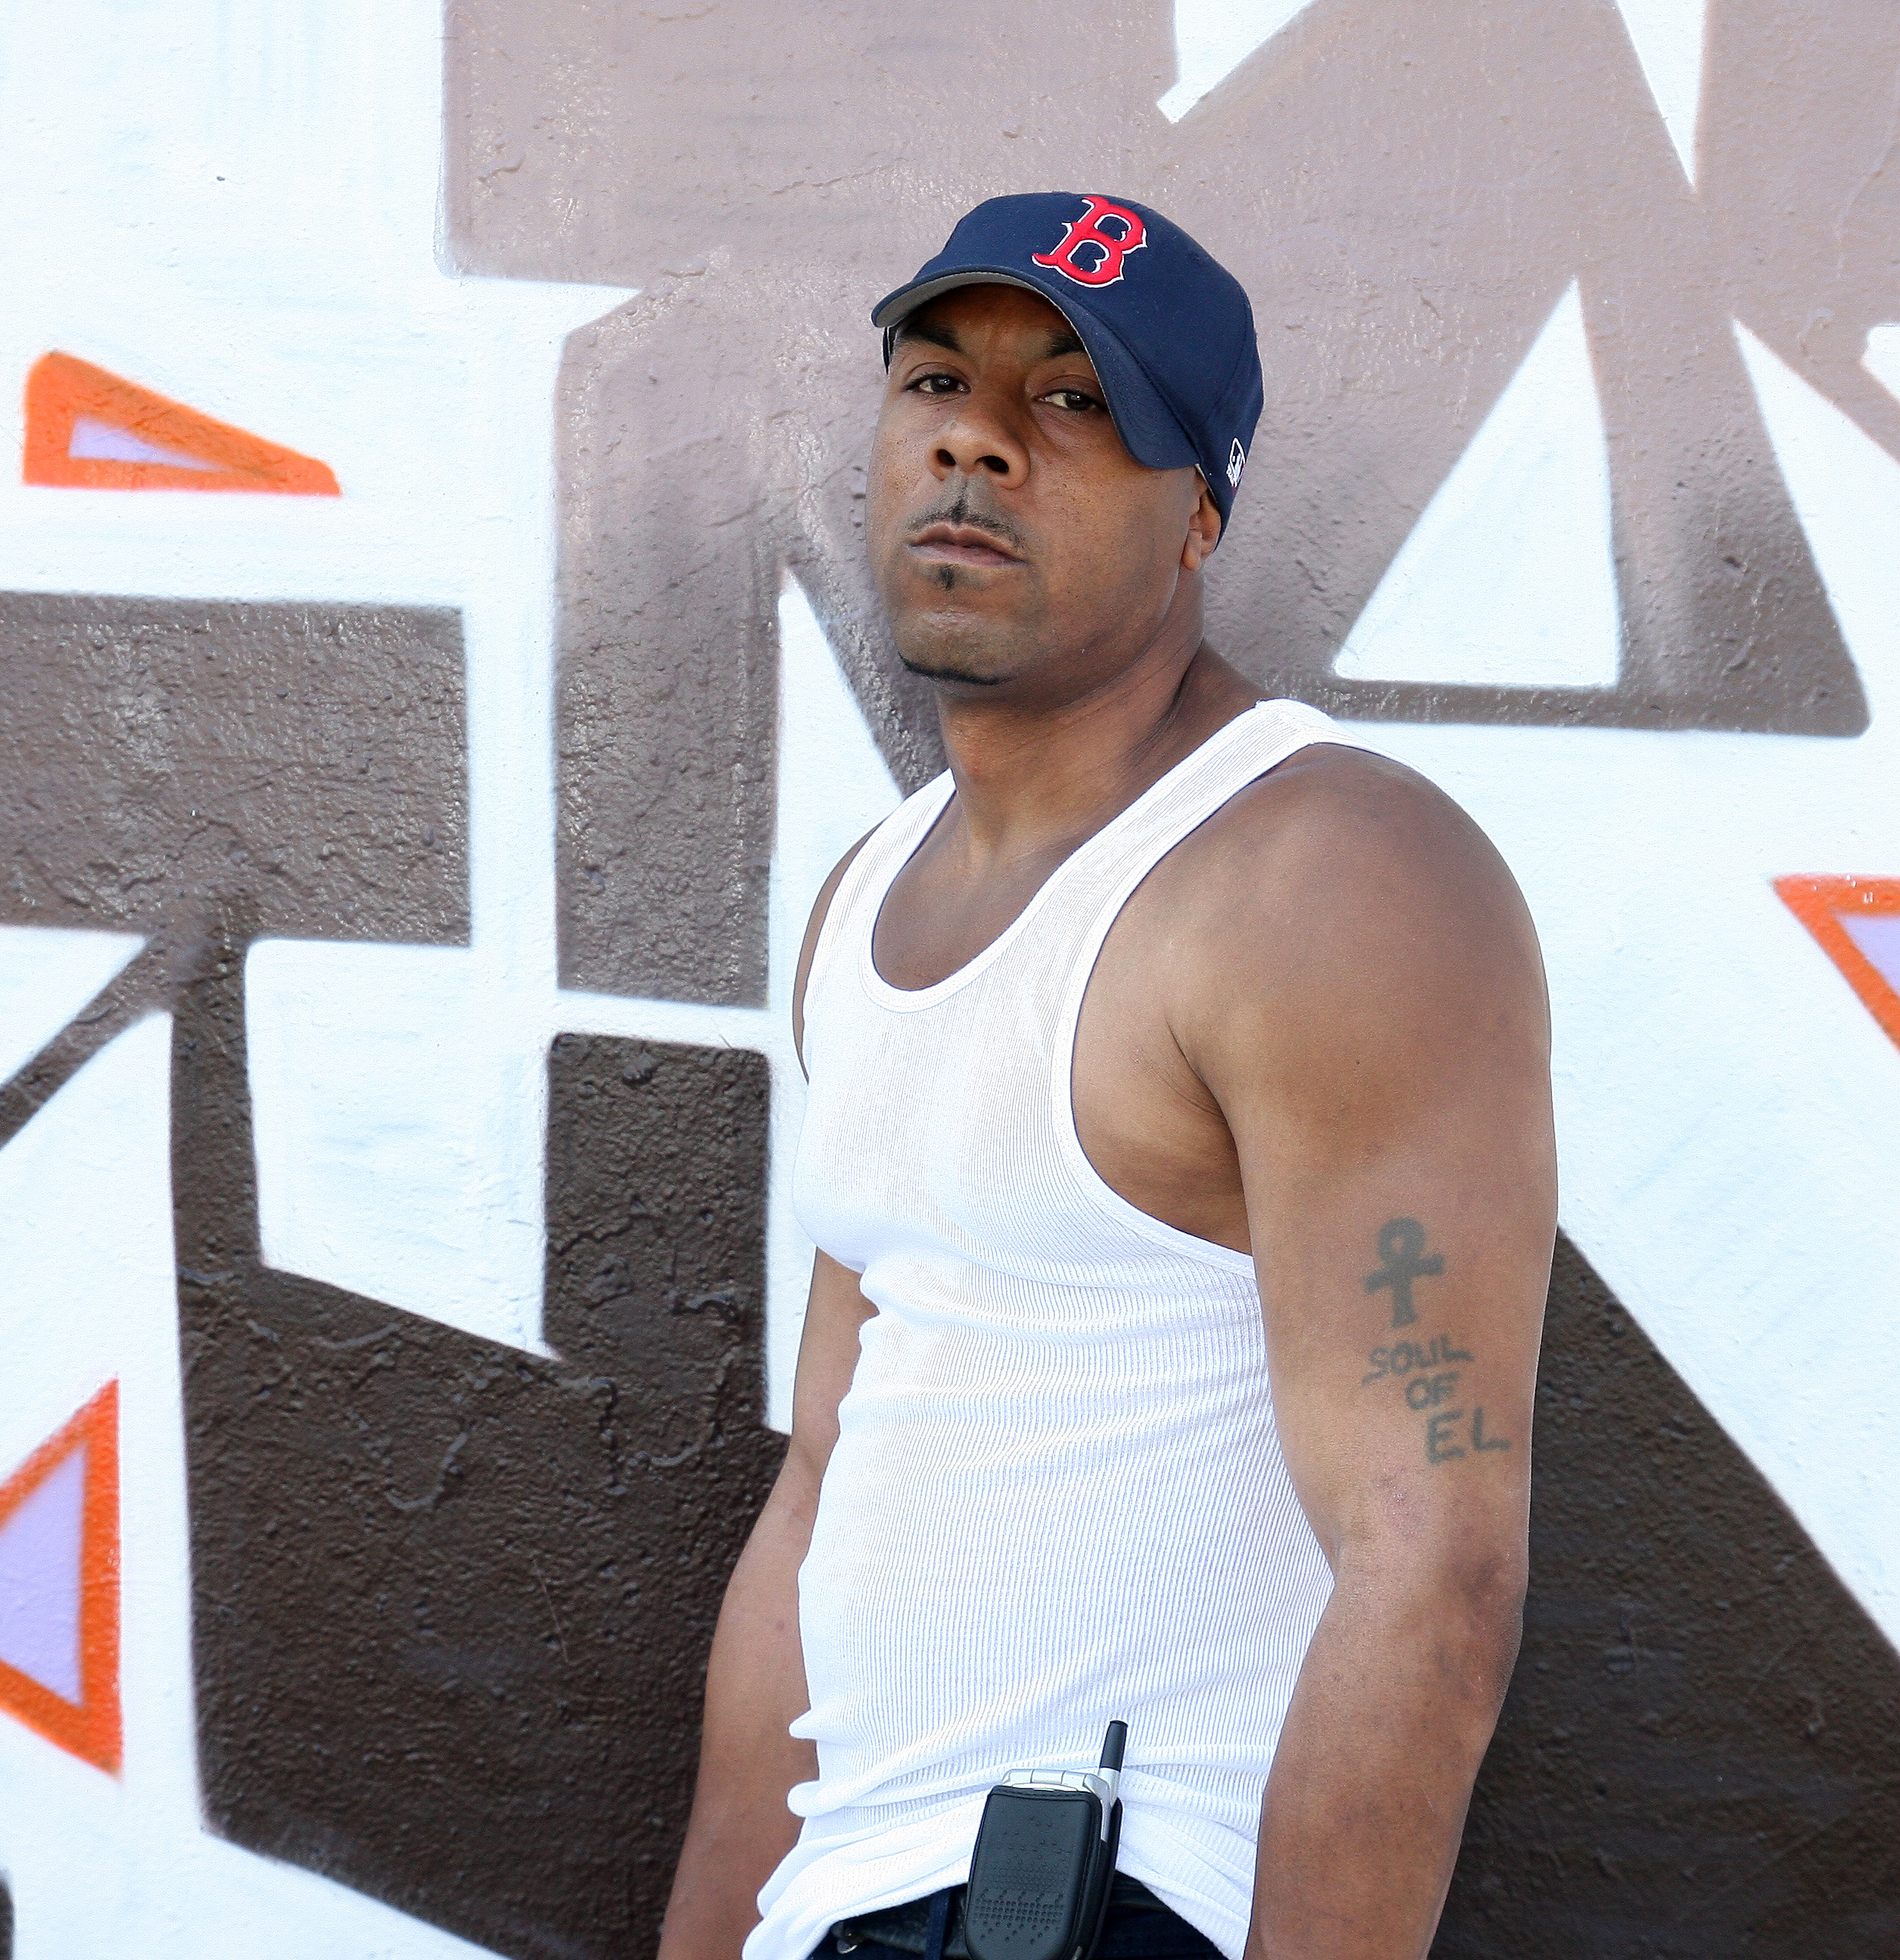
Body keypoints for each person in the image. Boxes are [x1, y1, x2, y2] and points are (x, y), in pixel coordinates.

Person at [657, 192, 1555, 1960]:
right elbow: (824, 1486)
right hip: (842, 1907)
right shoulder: (866, 895)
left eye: (1074, 402)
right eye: (938, 379)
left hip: (1109, 1903)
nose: (975, 440)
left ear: (1201, 511)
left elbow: (1435, 1565)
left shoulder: (1325, 876)